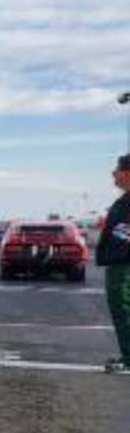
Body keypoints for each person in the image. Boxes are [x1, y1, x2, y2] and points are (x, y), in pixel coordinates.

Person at [96, 154, 130, 374]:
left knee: (124, 309)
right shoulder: (124, 200)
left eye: (117, 169)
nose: (113, 173)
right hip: (119, 263)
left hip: (124, 266)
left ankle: (128, 360)